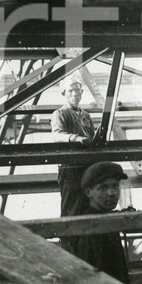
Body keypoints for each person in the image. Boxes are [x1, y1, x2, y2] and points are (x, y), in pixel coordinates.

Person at [51, 78, 97, 218]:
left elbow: (92, 137)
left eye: (77, 90)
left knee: (89, 206)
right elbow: (57, 135)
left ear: (82, 92)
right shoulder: (60, 114)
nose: (74, 94)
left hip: (87, 166)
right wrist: (75, 138)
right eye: (70, 91)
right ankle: (69, 239)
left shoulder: (86, 115)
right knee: (71, 207)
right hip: (70, 167)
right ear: (64, 93)